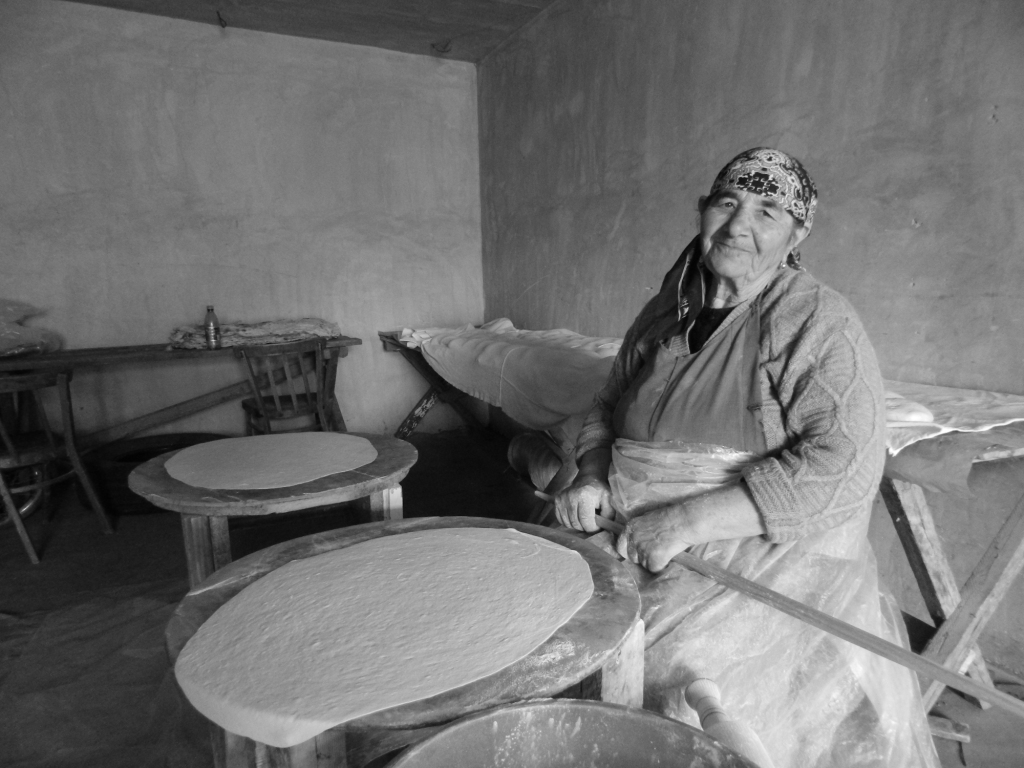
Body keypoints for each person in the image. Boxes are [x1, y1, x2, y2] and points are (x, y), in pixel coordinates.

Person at [555, 148, 938, 767]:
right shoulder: (665, 311)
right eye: (727, 203)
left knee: (680, 704)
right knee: (557, 644)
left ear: (797, 234)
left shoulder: (814, 318)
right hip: (626, 527)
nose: (738, 225)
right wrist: (591, 475)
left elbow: (843, 464)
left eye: (767, 212)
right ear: (703, 211)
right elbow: (607, 404)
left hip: (752, 560)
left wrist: (685, 522)